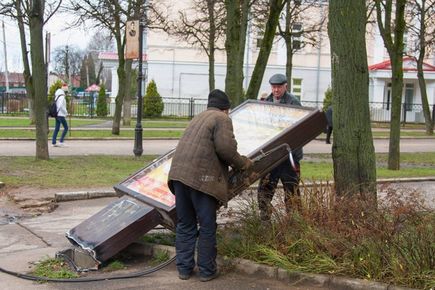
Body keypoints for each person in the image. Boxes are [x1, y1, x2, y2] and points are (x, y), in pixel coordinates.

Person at [168, 89, 253, 282]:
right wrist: (243, 164)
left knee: (186, 224)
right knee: (207, 226)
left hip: (178, 176)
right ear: (226, 109)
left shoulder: (199, 117)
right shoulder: (221, 118)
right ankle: (207, 271)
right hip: (202, 179)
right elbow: (226, 149)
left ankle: (184, 269)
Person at [257, 73, 303, 221]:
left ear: (285, 86)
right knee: (265, 188)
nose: (276, 90)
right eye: (273, 87)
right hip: (271, 156)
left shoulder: (293, 103)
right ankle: (265, 217)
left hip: (289, 156)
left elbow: (299, 128)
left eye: (279, 87)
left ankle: (293, 219)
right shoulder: (267, 101)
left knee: (291, 190)